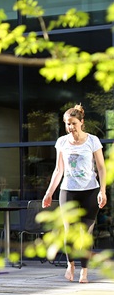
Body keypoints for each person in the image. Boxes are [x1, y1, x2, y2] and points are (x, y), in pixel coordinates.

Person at [42, 104, 107, 284]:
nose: (70, 127)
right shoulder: (62, 142)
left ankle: (84, 272)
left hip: (90, 191)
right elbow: (58, 170)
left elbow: (101, 168)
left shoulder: (93, 141)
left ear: (81, 122)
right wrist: (49, 193)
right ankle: (70, 265)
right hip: (68, 191)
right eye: (67, 124)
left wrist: (102, 191)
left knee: (85, 234)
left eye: (73, 123)